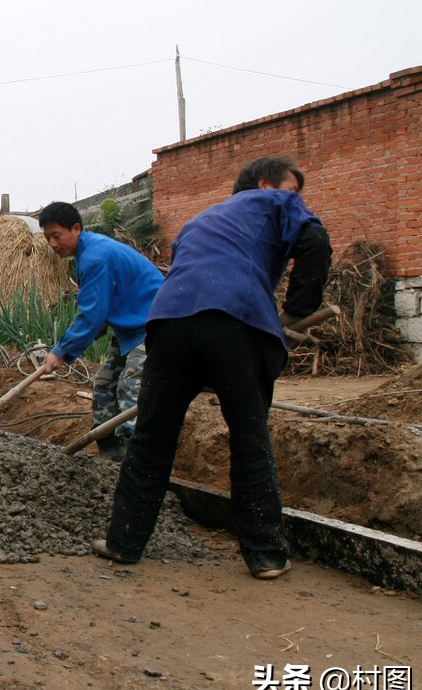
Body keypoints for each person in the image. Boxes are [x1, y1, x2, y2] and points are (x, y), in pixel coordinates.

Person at [92, 156, 331, 579]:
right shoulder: (274, 202)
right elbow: (315, 242)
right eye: (294, 189)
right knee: (248, 435)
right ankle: (267, 555)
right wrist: (296, 312)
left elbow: (192, 270)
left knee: (151, 438)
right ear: (266, 184)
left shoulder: (199, 221)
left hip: (168, 322)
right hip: (234, 319)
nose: (297, 199)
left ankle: (123, 542)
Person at [34, 202, 164, 459]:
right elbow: (103, 308)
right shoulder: (88, 252)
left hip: (155, 324)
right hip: (131, 328)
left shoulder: (94, 257)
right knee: (104, 385)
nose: (52, 244)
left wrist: (60, 351)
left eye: (56, 236)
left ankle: (137, 456)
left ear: (76, 229)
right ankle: (110, 452)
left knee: (131, 387)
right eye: (47, 237)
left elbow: (92, 315)